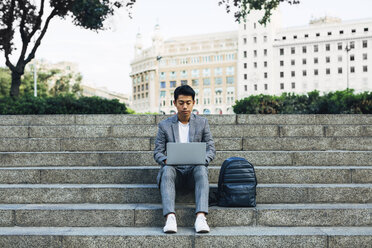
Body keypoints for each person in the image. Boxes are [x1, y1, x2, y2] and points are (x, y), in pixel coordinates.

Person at [154, 85, 216, 233]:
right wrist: (166, 160)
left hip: (194, 171)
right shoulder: (164, 125)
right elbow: (157, 152)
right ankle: (170, 217)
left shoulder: (202, 123)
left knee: (201, 169)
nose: (185, 106)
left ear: (194, 103)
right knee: (167, 170)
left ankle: (201, 217)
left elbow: (211, 149)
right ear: (175, 103)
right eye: (181, 103)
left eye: (188, 102)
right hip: (174, 171)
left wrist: (202, 159)